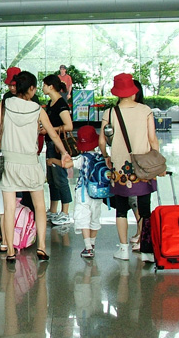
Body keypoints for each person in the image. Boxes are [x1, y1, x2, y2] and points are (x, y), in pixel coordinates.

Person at [0, 71, 72, 263]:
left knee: (9, 208)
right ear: (32, 88)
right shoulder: (37, 109)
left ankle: (11, 250)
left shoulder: (5, 104)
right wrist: (64, 153)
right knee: (39, 206)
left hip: (9, 162)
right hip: (30, 163)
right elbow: (53, 134)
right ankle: (41, 247)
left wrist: (7, 136)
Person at [98, 73, 159, 263]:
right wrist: (157, 160)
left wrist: (106, 156)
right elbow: (152, 139)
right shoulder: (146, 111)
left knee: (121, 209)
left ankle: (123, 249)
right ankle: (147, 251)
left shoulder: (110, 113)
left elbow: (102, 141)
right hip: (144, 166)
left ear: (117, 92)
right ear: (133, 91)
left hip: (119, 167)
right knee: (145, 209)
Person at [62, 126, 105, 259]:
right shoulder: (101, 157)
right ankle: (93, 244)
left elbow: (67, 165)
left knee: (83, 218)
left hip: (84, 192)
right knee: (94, 218)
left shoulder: (82, 158)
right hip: (98, 193)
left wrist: (64, 157)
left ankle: (87, 247)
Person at [42, 74, 74, 226]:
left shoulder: (61, 104)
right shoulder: (50, 103)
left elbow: (69, 126)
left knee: (60, 178)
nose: (42, 88)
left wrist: (50, 129)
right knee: (52, 179)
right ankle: (53, 209)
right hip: (50, 144)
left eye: (44, 85)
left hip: (58, 145)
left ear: (51, 86)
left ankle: (65, 212)